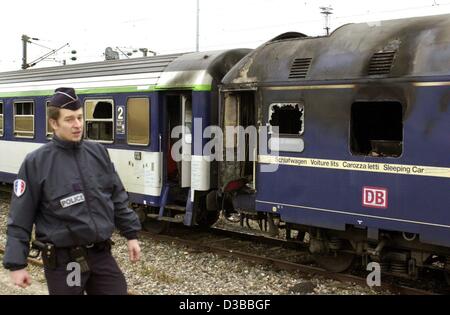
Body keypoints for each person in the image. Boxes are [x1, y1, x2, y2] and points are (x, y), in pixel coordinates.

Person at [2, 87, 142, 295]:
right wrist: (16, 263)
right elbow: (20, 215)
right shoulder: (36, 162)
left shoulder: (98, 152)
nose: (77, 125)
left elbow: (117, 197)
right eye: (69, 120)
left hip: (100, 254)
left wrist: (131, 235)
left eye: (79, 118)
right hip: (65, 261)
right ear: (54, 123)